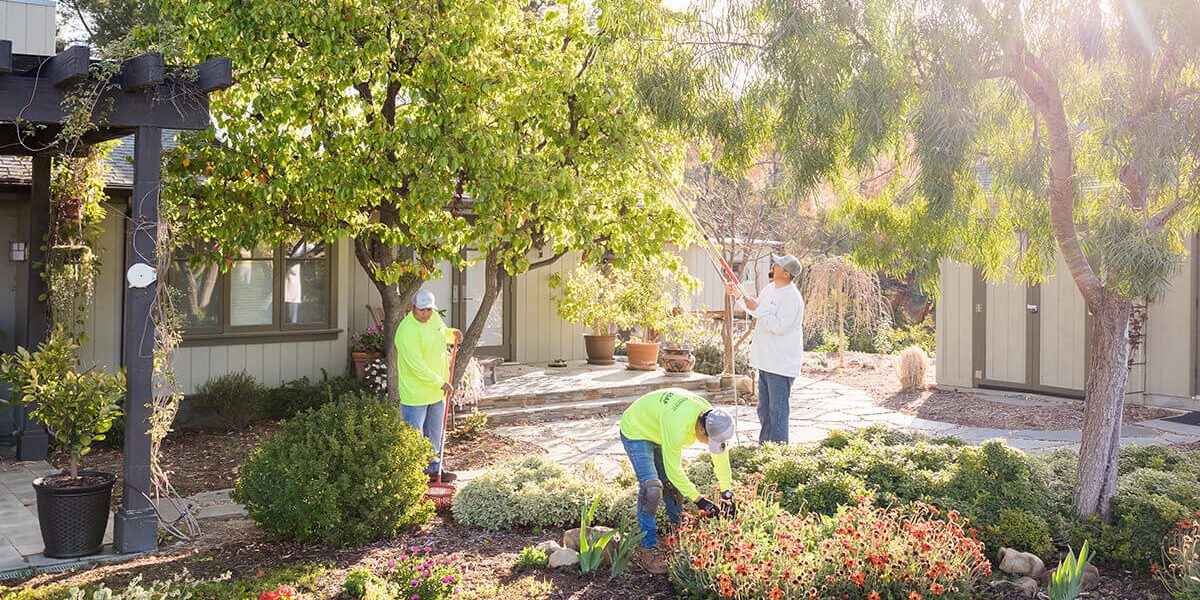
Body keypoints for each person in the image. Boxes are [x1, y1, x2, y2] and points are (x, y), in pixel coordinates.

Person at [619, 388, 736, 575]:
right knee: (652, 489)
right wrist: (700, 501)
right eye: (708, 441)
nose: (708, 445)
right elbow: (674, 471)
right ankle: (648, 547)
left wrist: (727, 494)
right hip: (638, 429)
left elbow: (720, 459)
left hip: (659, 427)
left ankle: (680, 535)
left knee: (673, 488)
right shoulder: (679, 425)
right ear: (700, 429)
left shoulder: (713, 418)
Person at [726, 253, 805, 444]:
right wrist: (738, 296)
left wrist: (759, 310)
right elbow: (755, 310)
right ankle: (765, 448)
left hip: (781, 364)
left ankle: (778, 453)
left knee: (777, 411)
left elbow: (779, 327)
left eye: (778, 265)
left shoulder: (792, 298)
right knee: (763, 409)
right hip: (766, 361)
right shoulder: (771, 289)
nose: (774, 266)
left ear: (787, 274)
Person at [395, 289, 463, 483]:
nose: (425, 314)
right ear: (412, 307)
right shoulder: (406, 331)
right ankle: (413, 475)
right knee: (414, 436)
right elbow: (416, 366)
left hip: (436, 391)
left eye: (428, 310)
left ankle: (433, 470)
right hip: (415, 393)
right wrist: (439, 382)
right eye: (421, 310)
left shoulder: (433, 320)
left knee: (434, 433)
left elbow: (441, 333)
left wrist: (452, 334)